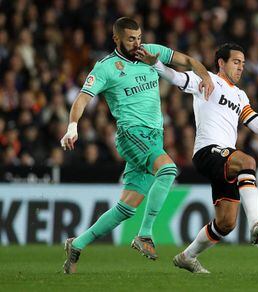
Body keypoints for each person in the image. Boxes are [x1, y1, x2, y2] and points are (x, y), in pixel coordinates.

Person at [145, 43, 258, 273]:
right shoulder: (206, 80)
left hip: (225, 159)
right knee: (248, 162)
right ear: (221, 63)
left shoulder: (240, 95)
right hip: (207, 151)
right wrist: (155, 63)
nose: (240, 68)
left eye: (243, 64)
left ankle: (187, 256)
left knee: (226, 223)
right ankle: (255, 223)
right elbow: (175, 77)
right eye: (236, 62)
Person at [60, 17, 214, 274]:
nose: (137, 43)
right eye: (131, 39)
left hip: (154, 136)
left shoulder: (151, 52)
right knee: (167, 170)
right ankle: (144, 234)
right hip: (131, 134)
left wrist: (205, 76)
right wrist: (72, 126)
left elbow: (187, 61)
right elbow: (82, 98)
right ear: (116, 39)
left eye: (139, 38)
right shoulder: (106, 68)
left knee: (126, 208)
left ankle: (77, 244)